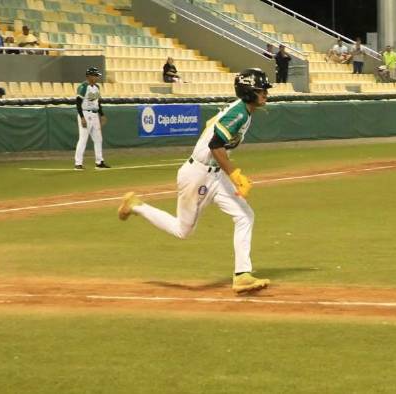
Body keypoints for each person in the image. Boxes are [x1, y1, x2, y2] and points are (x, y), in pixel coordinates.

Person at [117, 68, 272, 294]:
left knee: (245, 215)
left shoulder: (243, 112)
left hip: (214, 173)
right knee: (183, 230)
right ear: (249, 92)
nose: (265, 93)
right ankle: (136, 206)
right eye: (261, 90)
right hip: (198, 175)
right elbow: (215, 145)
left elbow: (214, 132)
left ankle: (242, 275)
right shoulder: (239, 113)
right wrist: (235, 174)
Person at [74, 67, 110, 170]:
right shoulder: (83, 87)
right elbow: (78, 103)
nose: (97, 77)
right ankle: (78, 163)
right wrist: (82, 117)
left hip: (94, 115)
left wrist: (102, 114)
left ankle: (99, 162)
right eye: (95, 75)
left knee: (98, 139)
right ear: (89, 76)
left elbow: (97, 102)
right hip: (85, 113)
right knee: (83, 139)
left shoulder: (97, 87)